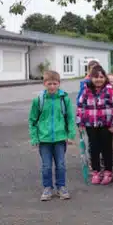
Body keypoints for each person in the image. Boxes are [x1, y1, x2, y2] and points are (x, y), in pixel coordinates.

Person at [29, 70, 76, 201]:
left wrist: (70, 135)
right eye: (49, 83)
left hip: (60, 138)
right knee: (46, 165)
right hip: (44, 139)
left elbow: (70, 118)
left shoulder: (64, 99)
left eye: (55, 83)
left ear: (59, 84)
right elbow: (32, 120)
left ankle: (61, 187)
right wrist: (34, 137)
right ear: (44, 84)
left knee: (61, 164)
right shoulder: (39, 100)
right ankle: (47, 188)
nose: (52, 86)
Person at [77, 66, 113, 185]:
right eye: (96, 77)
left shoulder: (110, 90)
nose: (98, 80)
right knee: (94, 148)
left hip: (106, 125)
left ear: (105, 78)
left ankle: (108, 171)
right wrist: (80, 121)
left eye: (101, 77)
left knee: (107, 148)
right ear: (91, 78)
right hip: (91, 124)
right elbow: (81, 106)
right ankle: (96, 171)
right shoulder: (86, 90)